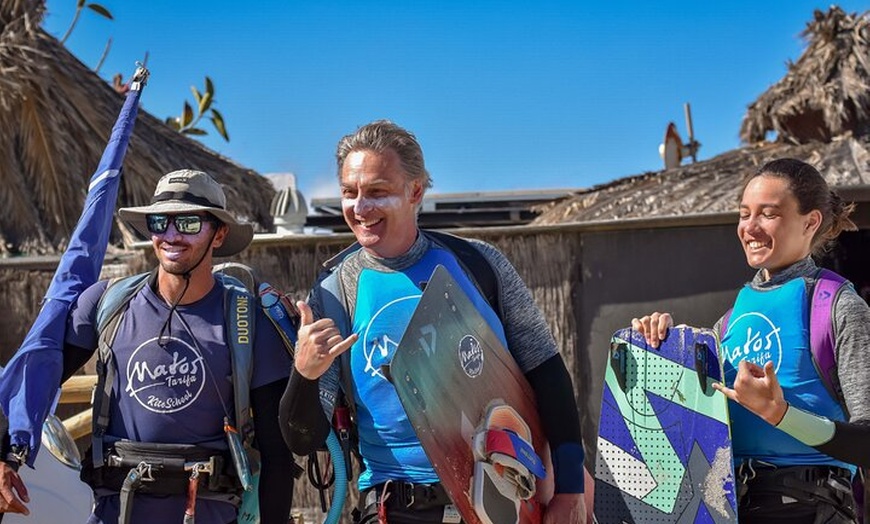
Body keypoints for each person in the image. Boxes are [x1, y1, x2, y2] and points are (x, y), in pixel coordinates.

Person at [278, 120, 587, 523]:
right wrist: (304, 373)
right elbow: (303, 439)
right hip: (395, 506)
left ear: (416, 191)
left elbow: (548, 373)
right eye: (349, 193)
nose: (360, 208)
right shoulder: (335, 292)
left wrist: (570, 492)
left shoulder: (478, 265)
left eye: (377, 192)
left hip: (500, 499)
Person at [0, 170, 296, 523]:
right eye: (160, 222)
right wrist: (4, 456)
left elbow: (277, 455)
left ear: (219, 234)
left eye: (187, 223)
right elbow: (34, 378)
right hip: (115, 512)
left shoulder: (248, 320)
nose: (171, 236)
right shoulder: (107, 302)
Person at [632, 158, 870, 523]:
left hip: (811, 509)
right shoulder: (727, 324)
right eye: (744, 214)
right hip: (727, 508)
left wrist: (781, 414)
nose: (750, 227)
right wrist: (663, 346)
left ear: (810, 222)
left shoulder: (838, 308)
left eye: (768, 214)